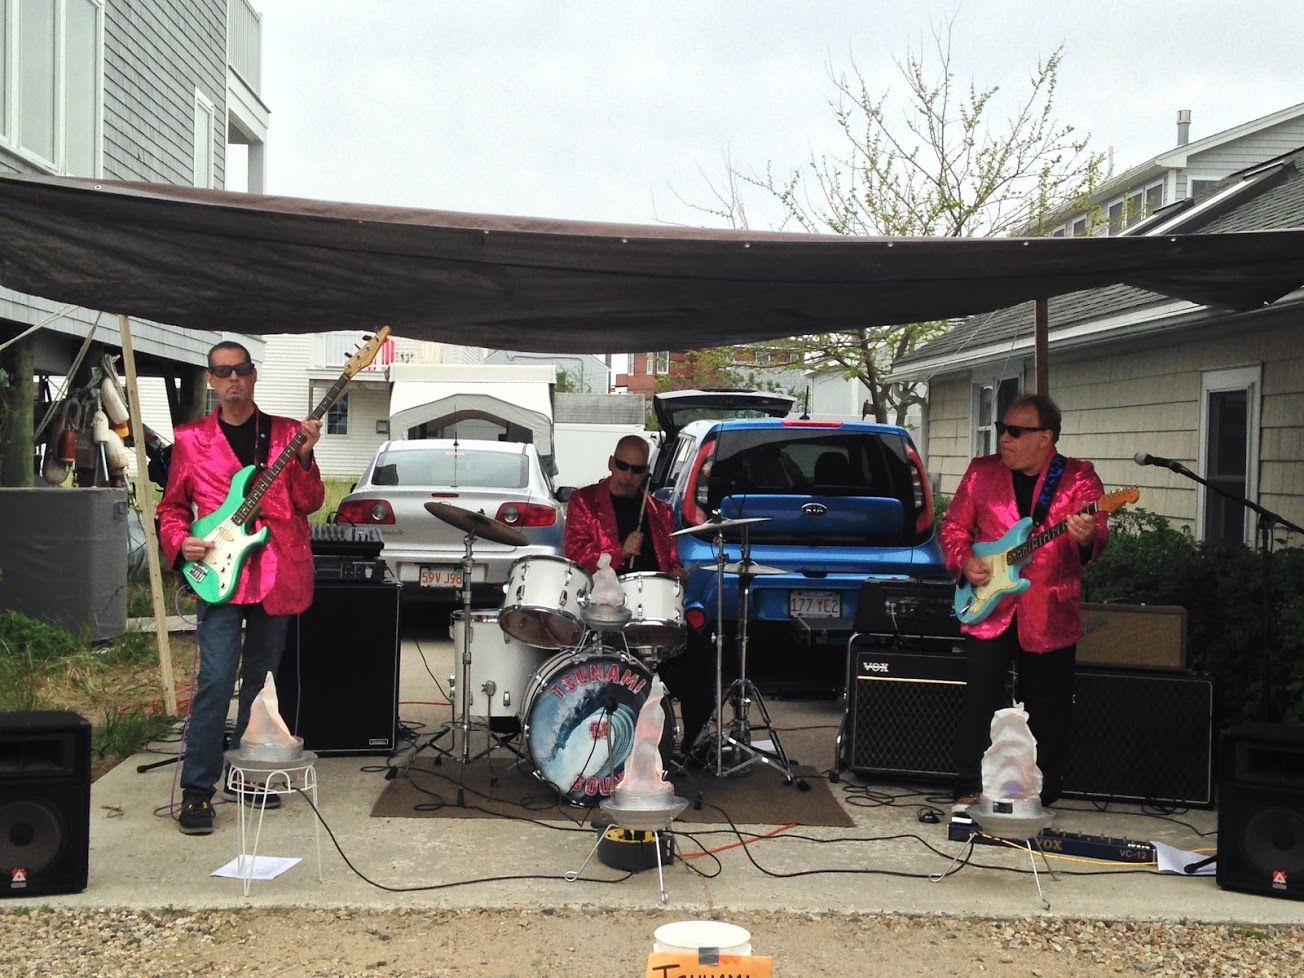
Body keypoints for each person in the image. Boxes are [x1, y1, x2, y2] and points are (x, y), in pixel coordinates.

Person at [158, 341, 324, 835]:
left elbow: (310, 502)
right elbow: (172, 507)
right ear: (211, 380)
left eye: (241, 370)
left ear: (253, 376)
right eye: (223, 372)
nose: (233, 379)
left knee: (262, 682)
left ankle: (249, 775)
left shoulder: (288, 434)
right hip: (219, 573)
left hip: (276, 571)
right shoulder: (191, 439)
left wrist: (305, 458)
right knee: (214, 680)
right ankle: (197, 789)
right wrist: (180, 542)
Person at [940, 393, 1108, 812]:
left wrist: (1087, 536)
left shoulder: (1079, 478)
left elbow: (1097, 537)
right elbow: (953, 528)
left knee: (1048, 704)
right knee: (980, 697)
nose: (1004, 438)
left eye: (1015, 431)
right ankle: (970, 784)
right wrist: (965, 560)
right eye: (1002, 429)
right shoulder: (982, 472)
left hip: (1049, 609)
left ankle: (1039, 792)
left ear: (1045, 437)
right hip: (988, 604)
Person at [562, 435, 711, 755]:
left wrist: (678, 573)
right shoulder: (584, 502)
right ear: (611, 463)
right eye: (622, 466)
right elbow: (575, 553)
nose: (628, 475)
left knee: (702, 656)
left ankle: (693, 744)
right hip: (606, 610)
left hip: (654, 612)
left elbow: (671, 559)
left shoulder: (659, 511)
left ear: (646, 473)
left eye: (637, 469)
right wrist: (618, 552)